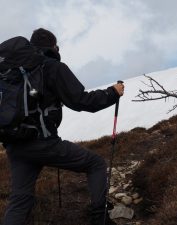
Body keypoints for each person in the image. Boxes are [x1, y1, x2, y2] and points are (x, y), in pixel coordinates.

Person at [2, 28, 124, 225]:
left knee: (20, 199)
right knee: (96, 164)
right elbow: (82, 101)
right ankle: (99, 219)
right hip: (44, 143)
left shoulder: (13, 71)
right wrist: (113, 93)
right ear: (53, 46)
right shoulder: (51, 67)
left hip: (15, 144)